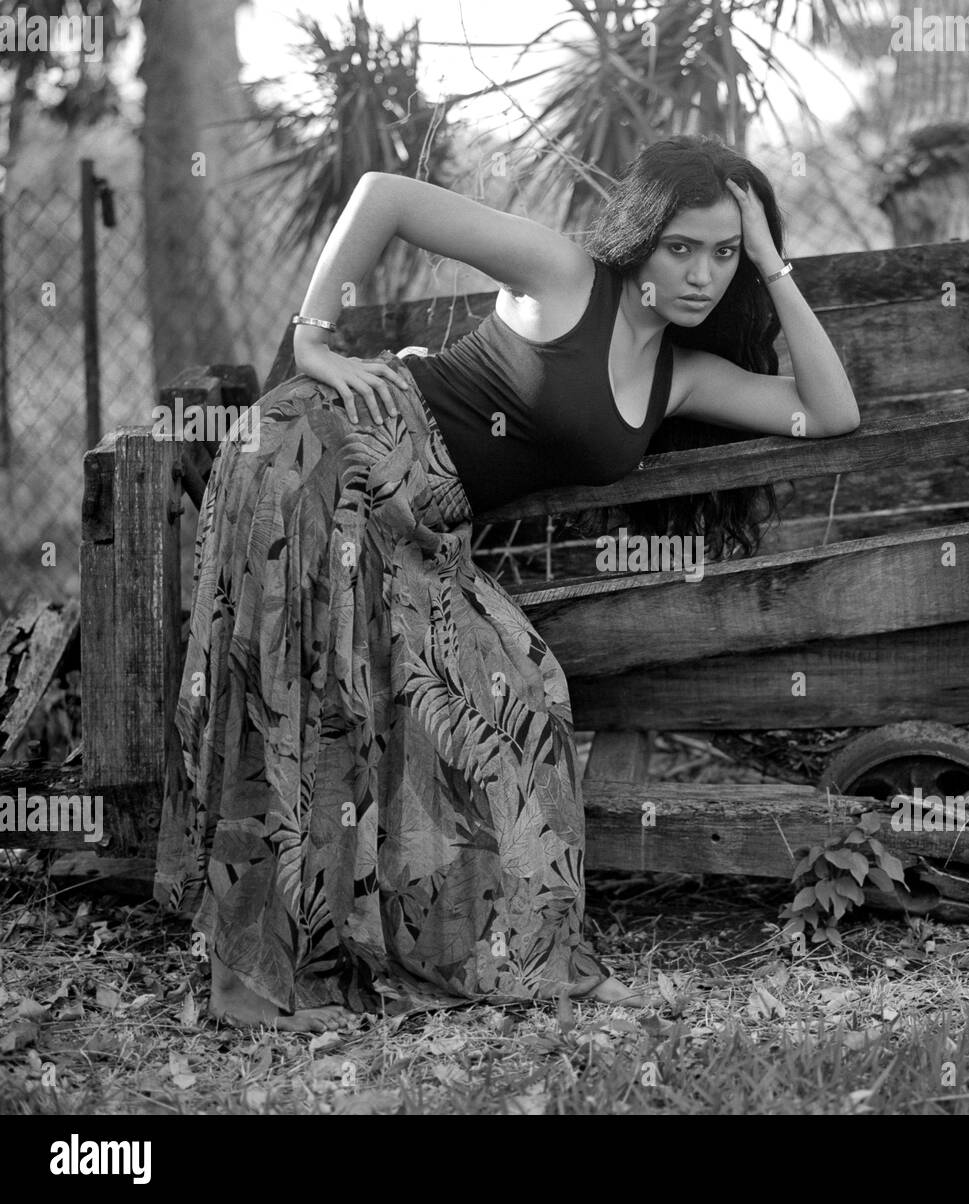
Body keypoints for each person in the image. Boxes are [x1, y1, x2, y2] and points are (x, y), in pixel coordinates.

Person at [153, 134, 859, 1031]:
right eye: (682, 246)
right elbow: (385, 194)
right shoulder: (566, 276)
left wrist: (774, 265)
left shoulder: (680, 375)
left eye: (725, 255)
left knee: (526, 701)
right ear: (641, 237)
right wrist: (313, 343)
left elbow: (830, 413)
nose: (702, 275)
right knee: (309, 701)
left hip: (415, 531)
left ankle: (516, 959)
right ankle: (264, 975)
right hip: (319, 460)